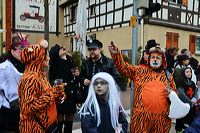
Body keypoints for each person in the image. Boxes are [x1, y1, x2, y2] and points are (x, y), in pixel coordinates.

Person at [108, 42, 176, 133]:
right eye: (153, 57)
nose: (155, 60)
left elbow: (175, 93)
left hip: (161, 121)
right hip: (141, 119)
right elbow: (123, 67)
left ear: (162, 60)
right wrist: (116, 54)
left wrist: (171, 94)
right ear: (149, 59)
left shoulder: (168, 76)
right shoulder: (139, 71)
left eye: (158, 58)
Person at [18, 40, 65, 132]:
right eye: (45, 56)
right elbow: (28, 108)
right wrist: (53, 93)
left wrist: (58, 95)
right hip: (34, 128)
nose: (48, 58)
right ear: (38, 59)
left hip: (46, 127)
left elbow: (45, 99)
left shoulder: (40, 75)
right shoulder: (30, 78)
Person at [0, 33, 29, 133]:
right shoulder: (3, 67)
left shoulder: (27, 68)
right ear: (12, 51)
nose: (23, 51)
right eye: (20, 48)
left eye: (25, 48)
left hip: (24, 112)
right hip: (7, 113)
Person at [49, 44, 79, 133]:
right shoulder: (55, 62)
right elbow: (52, 78)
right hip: (60, 93)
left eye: (63, 47)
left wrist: (77, 74)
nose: (64, 49)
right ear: (56, 53)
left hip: (71, 92)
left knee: (69, 118)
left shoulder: (70, 60)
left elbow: (75, 74)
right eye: (61, 48)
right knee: (60, 117)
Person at [175, 67, 198, 133]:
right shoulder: (181, 83)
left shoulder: (193, 83)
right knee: (180, 121)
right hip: (183, 105)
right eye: (187, 72)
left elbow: (196, 92)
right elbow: (181, 94)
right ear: (183, 73)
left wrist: (194, 99)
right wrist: (190, 102)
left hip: (192, 105)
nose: (189, 73)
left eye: (190, 71)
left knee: (191, 121)